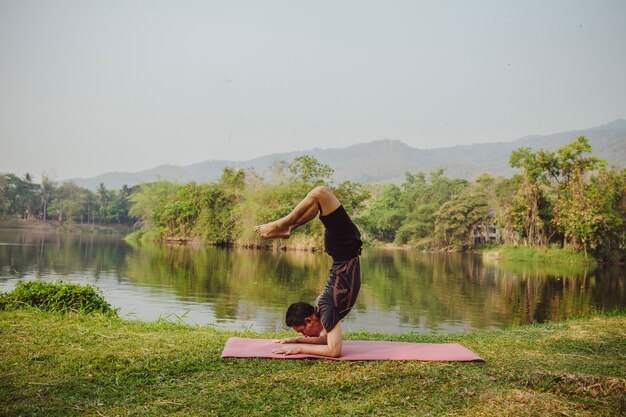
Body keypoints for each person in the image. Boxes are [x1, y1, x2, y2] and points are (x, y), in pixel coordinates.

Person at [254, 186, 362, 358]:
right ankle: (287, 228)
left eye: (302, 332)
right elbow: (328, 341)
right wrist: (296, 341)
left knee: (321, 193)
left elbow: (333, 351)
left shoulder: (324, 310)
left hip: (344, 246)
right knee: (318, 202)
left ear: (309, 320)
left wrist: (299, 348)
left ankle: (283, 225)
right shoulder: (324, 311)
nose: (304, 335)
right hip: (343, 248)